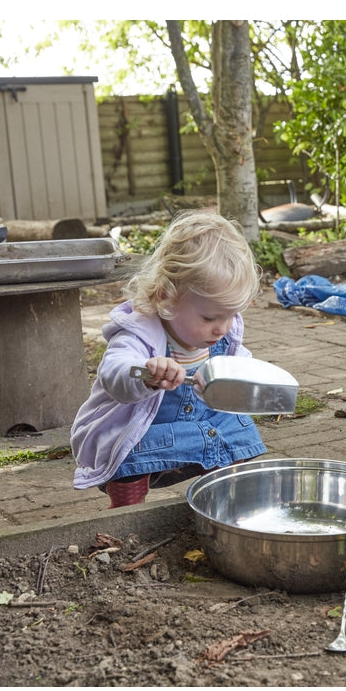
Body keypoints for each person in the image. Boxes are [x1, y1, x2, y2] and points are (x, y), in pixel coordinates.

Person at [71, 210, 267, 507]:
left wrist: (247, 380)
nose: (222, 328)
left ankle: (230, 502)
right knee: (125, 445)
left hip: (201, 430)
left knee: (238, 430)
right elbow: (113, 373)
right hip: (146, 435)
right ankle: (128, 511)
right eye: (211, 317)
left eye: (231, 315)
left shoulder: (224, 333)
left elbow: (239, 363)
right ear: (166, 297)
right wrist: (145, 374)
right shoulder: (139, 333)